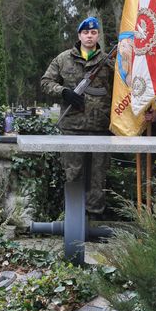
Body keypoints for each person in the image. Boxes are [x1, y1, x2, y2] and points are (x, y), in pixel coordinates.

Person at [41, 16, 114, 218]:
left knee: (97, 177)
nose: (89, 36)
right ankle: (74, 218)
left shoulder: (108, 62)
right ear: (79, 35)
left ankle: (94, 219)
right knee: (73, 174)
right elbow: (46, 82)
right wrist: (64, 92)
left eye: (93, 33)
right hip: (72, 128)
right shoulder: (63, 59)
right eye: (85, 33)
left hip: (100, 128)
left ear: (97, 35)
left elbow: (120, 91)